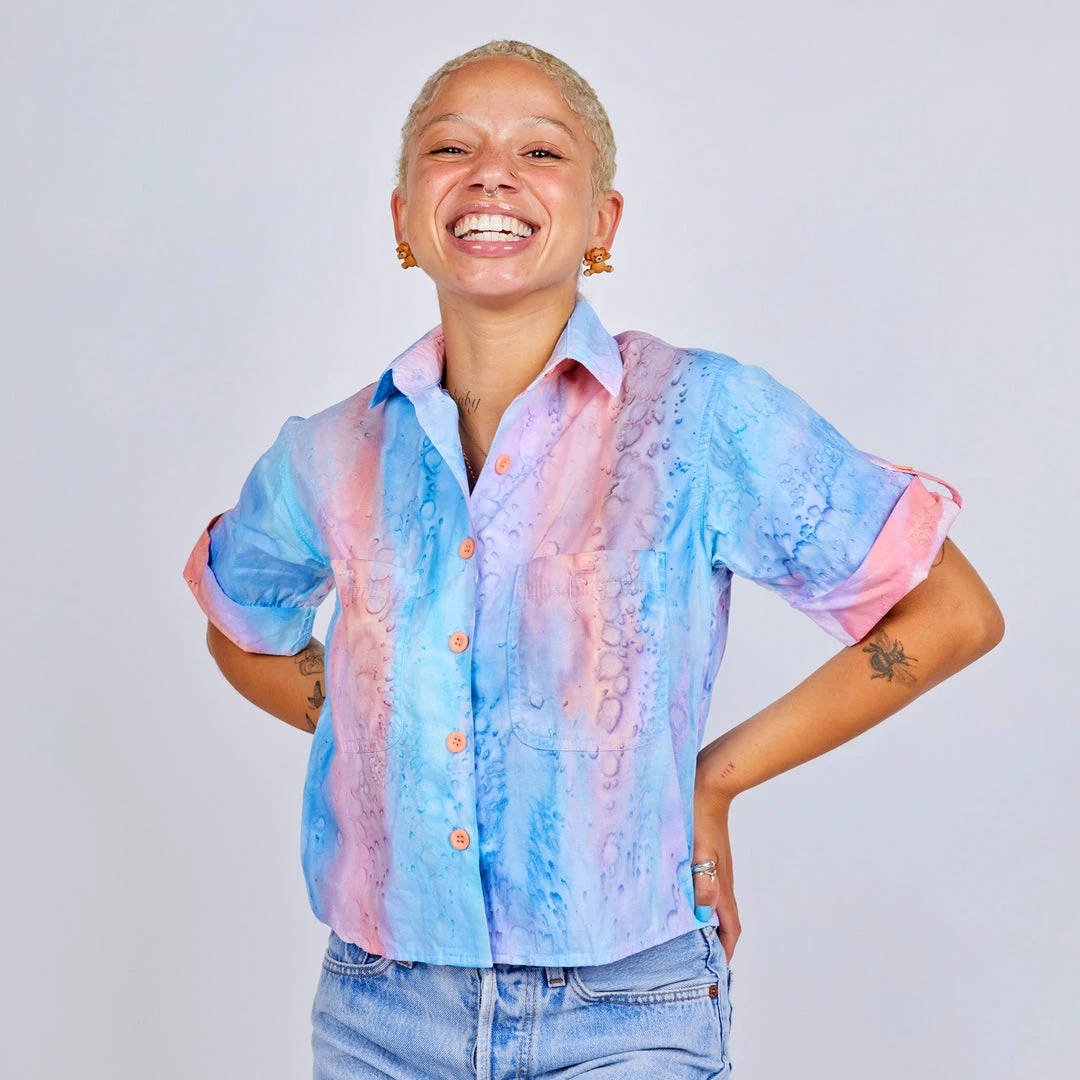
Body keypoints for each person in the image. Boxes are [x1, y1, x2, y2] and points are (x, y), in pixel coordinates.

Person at [182, 38, 1004, 1080]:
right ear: (402, 218)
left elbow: (951, 616)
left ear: (602, 222)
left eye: (541, 151)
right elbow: (242, 626)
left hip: (628, 1011)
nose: (493, 175)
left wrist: (715, 780)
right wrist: (403, 724)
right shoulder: (329, 453)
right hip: (382, 1015)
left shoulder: (696, 417)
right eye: (451, 148)